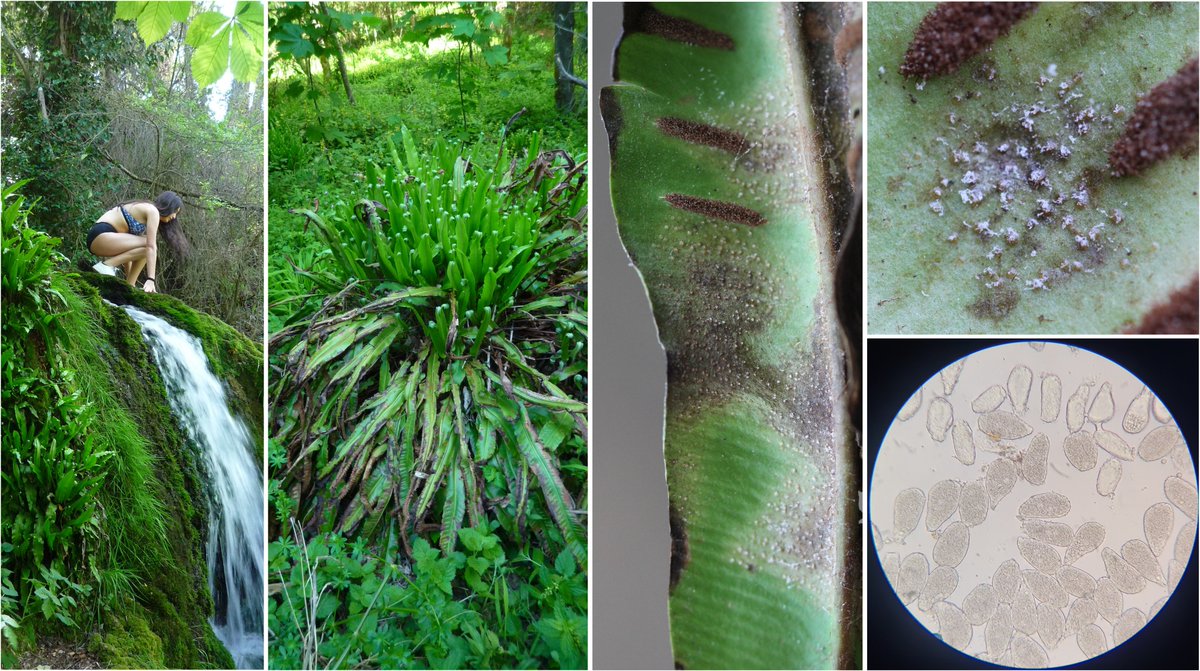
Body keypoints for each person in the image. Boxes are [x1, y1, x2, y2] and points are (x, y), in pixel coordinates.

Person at [86, 192, 183, 293]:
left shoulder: (145, 210)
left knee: (145, 251)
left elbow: (129, 253)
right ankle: (107, 265)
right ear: (168, 206)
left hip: (100, 240)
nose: (174, 216)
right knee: (148, 244)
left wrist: (128, 281)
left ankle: (130, 287)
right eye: (175, 212)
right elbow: (151, 246)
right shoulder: (152, 211)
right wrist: (151, 279)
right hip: (100, 236)